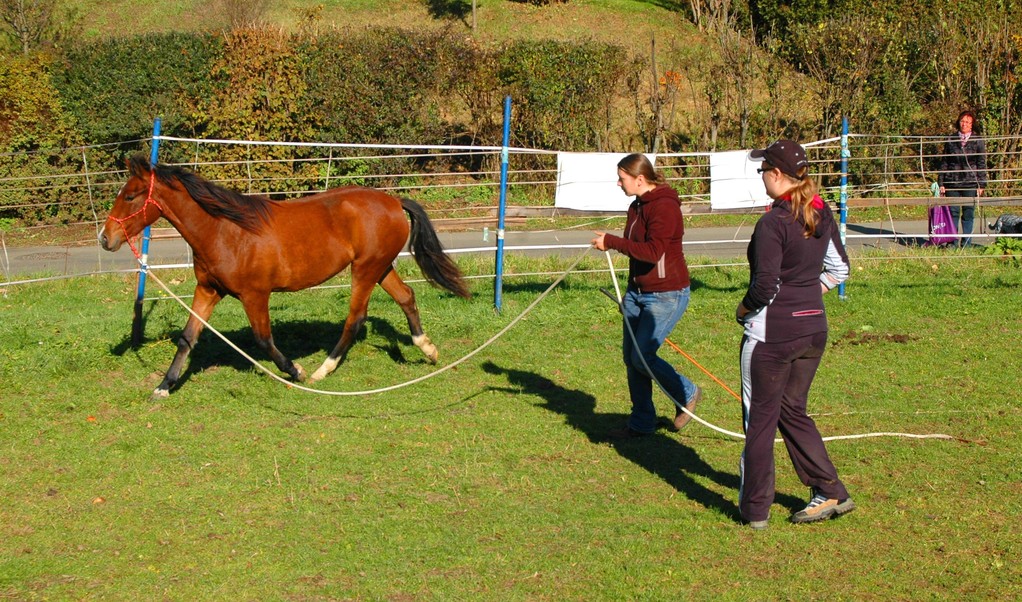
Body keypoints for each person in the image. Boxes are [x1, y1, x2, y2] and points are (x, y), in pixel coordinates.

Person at [736, 139, 853, 530]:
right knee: (791, 411)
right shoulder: (820, 213)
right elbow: (839, 270)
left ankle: (755, 510)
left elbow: (765, 285)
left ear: (776, 175)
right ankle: (830, 489)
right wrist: (805, 295)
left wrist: (743, 309)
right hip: (813, 331)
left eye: (762, 171)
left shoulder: (772, 223)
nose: (761, 178)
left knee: (759, 421)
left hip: (771, 337)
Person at [591, 153, 701, 439]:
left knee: (643, 357)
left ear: (640, 179)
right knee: (632, 358)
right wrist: (630, 295)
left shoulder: (664, 208)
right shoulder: (636, 206)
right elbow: (636, 252)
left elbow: (653, 252)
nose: (618, 183)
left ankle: (687, 393)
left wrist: (612, 242)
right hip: (638, 293)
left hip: (667, 294)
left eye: (622, 178)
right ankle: (641, 423)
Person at [938, 110, 987, 247]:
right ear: (958, 122)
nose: (964, 124)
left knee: (968, 213)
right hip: (952, 181)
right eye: (962, 121)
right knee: (953, 212)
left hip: (970, 182)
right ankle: (952, 242)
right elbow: (944, 162)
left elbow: (981, 163)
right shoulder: (951, 139)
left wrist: (981, 184)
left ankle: (966, 243)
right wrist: (941, 182)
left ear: (972, 125)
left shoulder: (978, 140)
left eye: (967, 122)